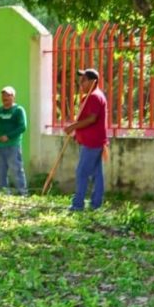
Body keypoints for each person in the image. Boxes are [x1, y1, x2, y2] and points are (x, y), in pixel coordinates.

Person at [64, 68, 108, 211]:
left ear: (92, 82)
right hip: (91, 140)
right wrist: (77, 133)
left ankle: (78, 204)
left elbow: (92, 119)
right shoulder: (90, 97)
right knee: (96, 174)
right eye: (80, 80)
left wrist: (73, 126)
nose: (80, 83)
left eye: (83, 80)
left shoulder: (95, 96)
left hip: (92, 142)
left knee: (82, 172)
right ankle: (96, 204)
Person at [0, 86, 28, 195]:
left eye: (7, 95)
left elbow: (22, 127)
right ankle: (4, 192)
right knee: (0, 171)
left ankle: (23, 193)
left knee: (16, 169)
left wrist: (9, 136)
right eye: (3, 95)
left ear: (13, 97)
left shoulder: (18, 110)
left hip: (13, 145)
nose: (4, 98)